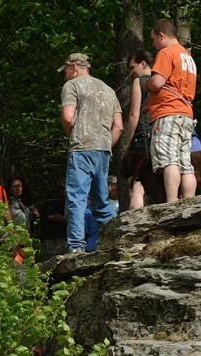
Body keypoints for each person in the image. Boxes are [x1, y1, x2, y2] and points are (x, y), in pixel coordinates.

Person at [59, 52, 122, 253]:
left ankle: (76, 246)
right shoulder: (109, 90)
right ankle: (115, 241)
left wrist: (71, 135)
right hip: (103, 150)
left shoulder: (72, 86)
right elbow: (119, 126)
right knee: (101, 200)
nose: (64, 75)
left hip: (81, 148)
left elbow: (68, 117)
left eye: (65, 70)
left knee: (77, 198)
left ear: (74, 68)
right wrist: (107, 144)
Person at [145, 19, 198, 203]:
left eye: (153, 39)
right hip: (186, 114)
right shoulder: (187, 57)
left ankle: (172, 202)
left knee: (169, 160)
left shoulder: (166, 53)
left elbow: (157, 82)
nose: (153, 44)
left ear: (161, 36)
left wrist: (147, 84)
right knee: (185, 163)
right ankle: (189, 202)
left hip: (167, 113)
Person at [122, 49, 155, 210]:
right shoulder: (163, 81)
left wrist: (128, 142)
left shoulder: (139, 82)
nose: (131, 72)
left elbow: (134, 114)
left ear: (143, 63)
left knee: (138, 183)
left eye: (132, 67)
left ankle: (135, 219)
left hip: (143, 138)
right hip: (162, 134)